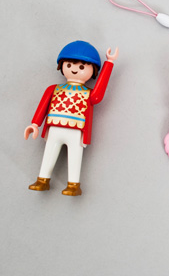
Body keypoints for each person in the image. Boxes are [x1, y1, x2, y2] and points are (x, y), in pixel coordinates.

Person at [24, 40, 118, 196]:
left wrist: (109, 63)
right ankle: (42, 180)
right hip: (54, 128)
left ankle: (74, 185)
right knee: (49, 154)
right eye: (69, 65)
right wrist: (35, 124)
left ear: (93, 71)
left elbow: (98, 95)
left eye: (82, 67)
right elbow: (43, 106)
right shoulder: (54, 89)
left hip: (76, 130)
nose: (74, 69)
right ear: (61, 65)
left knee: (75, 156)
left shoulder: (88, 94)